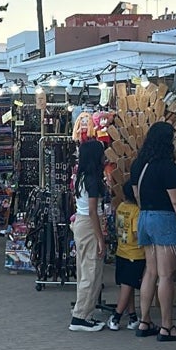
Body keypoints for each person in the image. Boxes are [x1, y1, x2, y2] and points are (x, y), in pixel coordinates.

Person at [129, 121, 176, 341]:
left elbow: (137, 195)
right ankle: (167, 327)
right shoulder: (167, 166)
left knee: (150, 271)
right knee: (166, 276)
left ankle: (145, 321)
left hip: (144, 218)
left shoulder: (139, 164)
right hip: (164, 220)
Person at [69, 138, 108, 332]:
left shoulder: (81, 177)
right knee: (91, 271)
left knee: (85, 269)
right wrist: (101, 238)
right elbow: (93, 210)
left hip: (82, 224)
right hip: (89, 224)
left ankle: (83, 311)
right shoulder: (92, 179)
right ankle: (81, 315)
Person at [106, 182, 144, 331]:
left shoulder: (121, 207)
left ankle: (133, 316)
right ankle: (116, 316)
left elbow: (118, 228)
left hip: (121, 251)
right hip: (135, 253)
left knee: (126, 286)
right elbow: (136, 233)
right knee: (128, 286)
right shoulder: (137, 211)